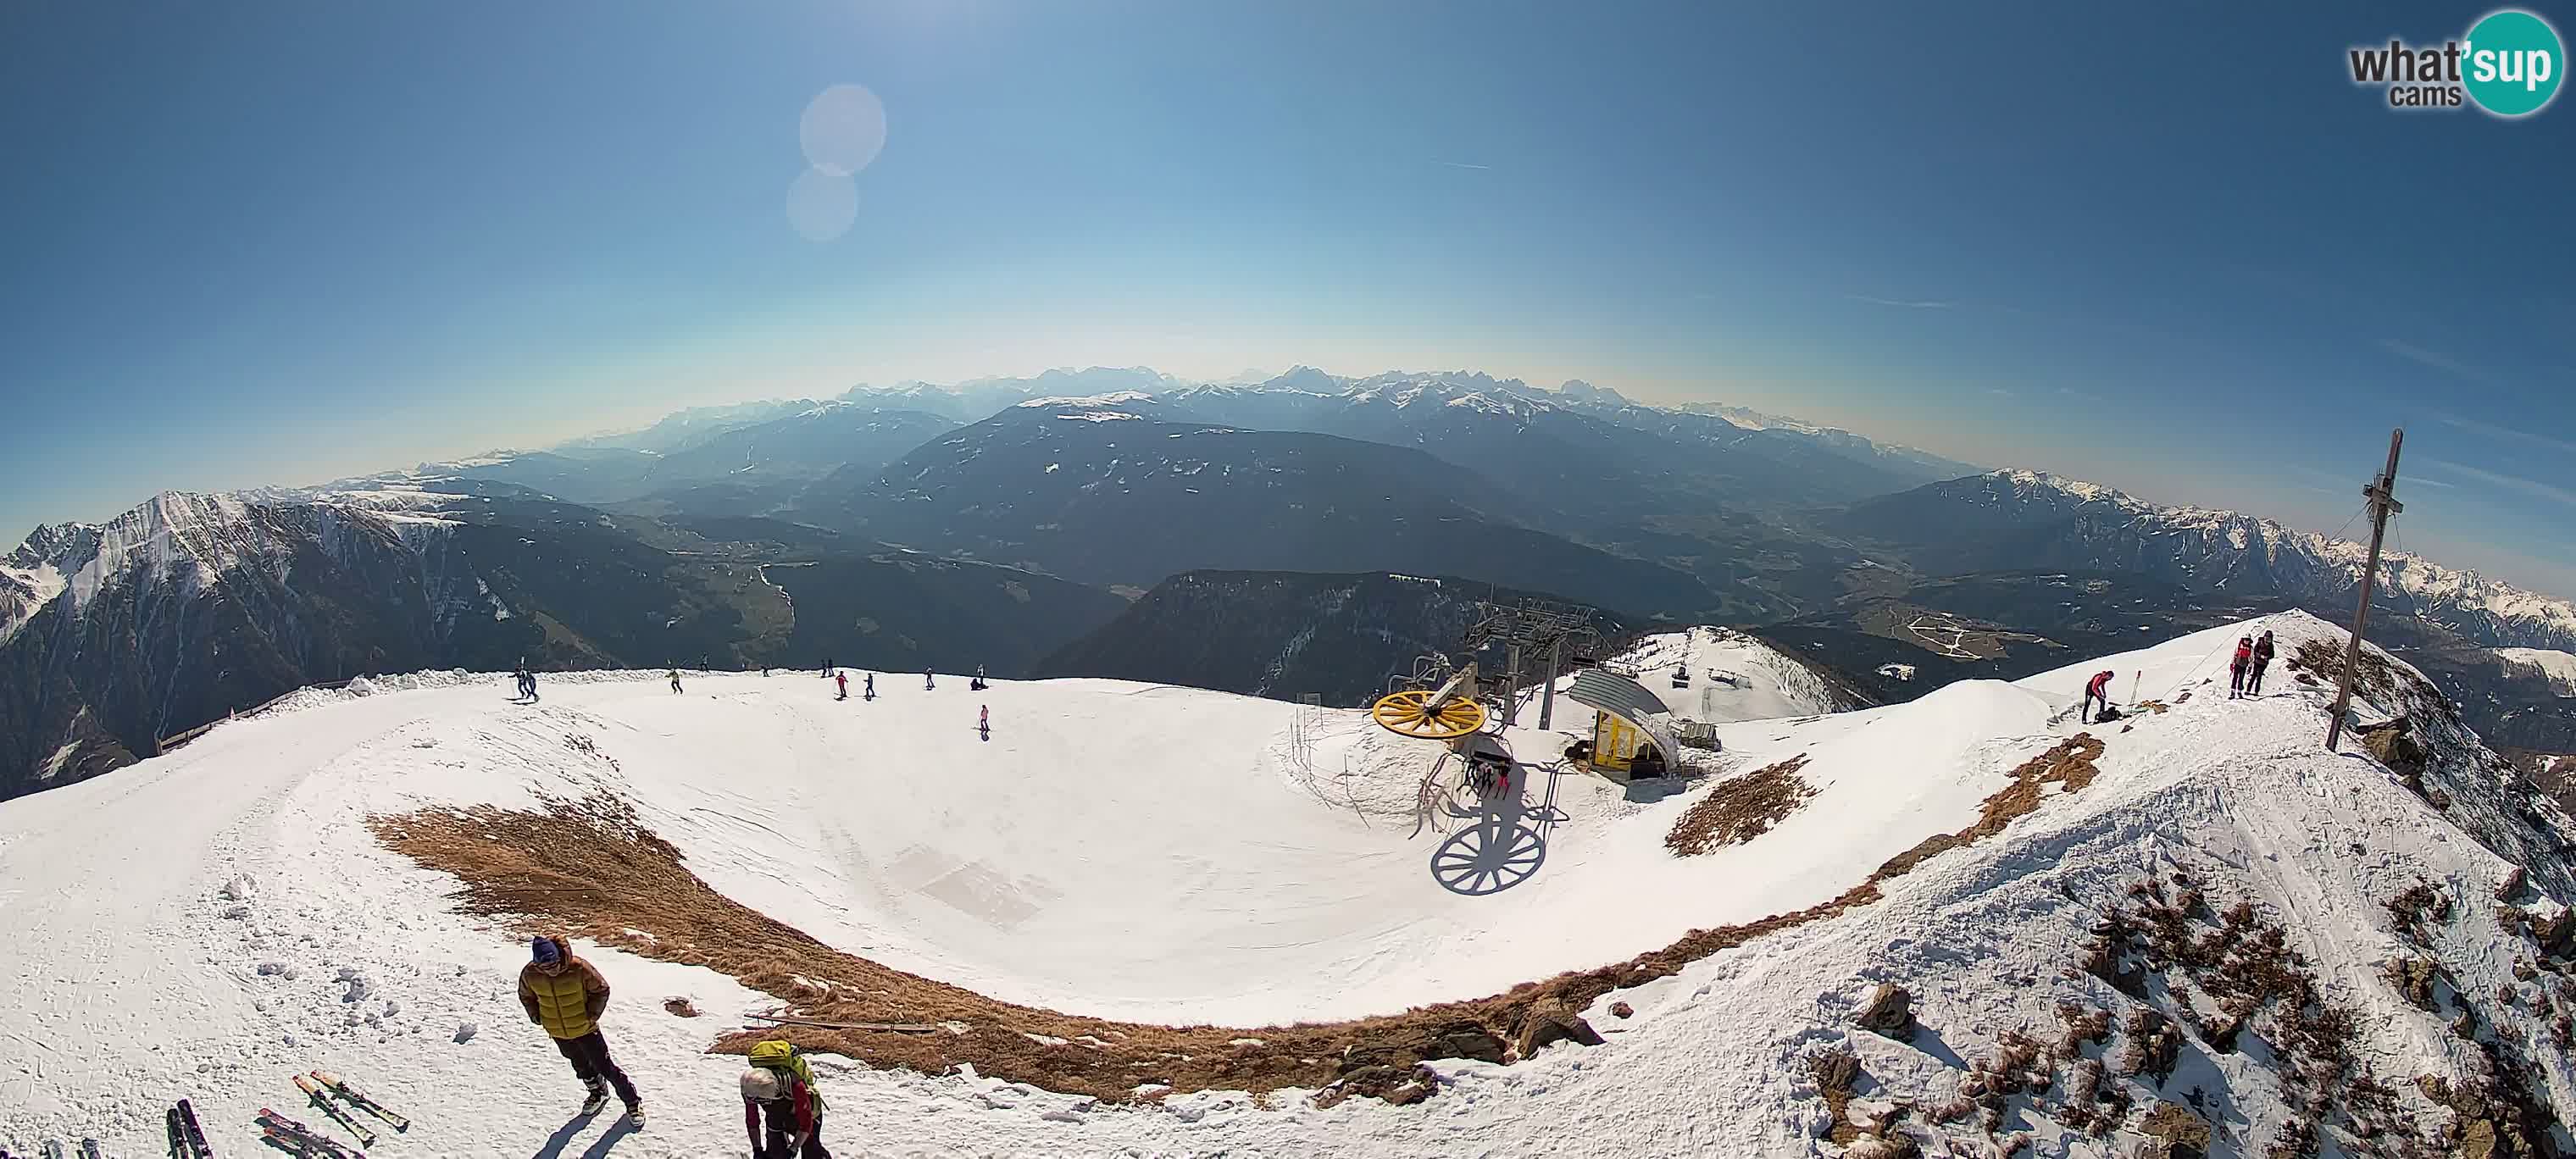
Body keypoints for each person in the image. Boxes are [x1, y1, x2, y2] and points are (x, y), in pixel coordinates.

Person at [519, 935, 644, 1123]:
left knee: (605, 1066)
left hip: (585, 1029)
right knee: (580, 1065)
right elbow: (526, 995)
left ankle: (633, 1103)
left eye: (553, 965)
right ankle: (598, 1092)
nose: (551, 971)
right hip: (558, 1031)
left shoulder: (578, 968)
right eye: (545, 968)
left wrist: (592, 1015)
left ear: (559, 957)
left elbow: (601, 989)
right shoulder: (531, 974)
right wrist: (536, 1015)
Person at [741, 1041, 831, 1158]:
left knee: (812, 1153)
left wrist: (793, 1149)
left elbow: (806, 1122)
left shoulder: (794, 1084)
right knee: (775, 1154)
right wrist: (757, 1149)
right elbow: (752, 1121)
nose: (754, 1102)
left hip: (805, 1116)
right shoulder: (748, 1085)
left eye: (761, 1101)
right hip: (775, 1117)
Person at [2248, 630, 2276, 696]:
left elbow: (2272, 655)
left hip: (2264, 663)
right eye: (2266, 638)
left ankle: (2256, 691)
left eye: (2269, 639)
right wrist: (2260, 656)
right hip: (2257, 661)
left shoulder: (2271, 646)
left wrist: (2267, 657)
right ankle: (2248, 690)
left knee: (2259, 677)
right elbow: (2255, 651)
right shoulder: (2260, 643)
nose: (2267, 640)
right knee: (2254, 676)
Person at [2229, 635, 2254, 699]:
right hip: (2237, 664)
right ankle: (2233, 692)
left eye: (2248, 640)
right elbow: (2235, 655)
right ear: (2243, 639)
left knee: (2241, 679)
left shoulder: (2251, 648)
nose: (2246, 641)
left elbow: (2251, 658)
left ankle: (2239, 692)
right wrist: (2232, 663)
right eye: (2245, 639)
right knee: (2235, 678)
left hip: (2244, 665)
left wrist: (2250, 667)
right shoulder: (2239, 646)